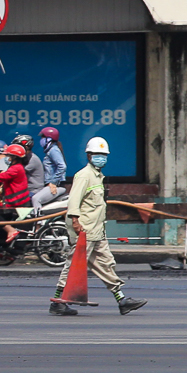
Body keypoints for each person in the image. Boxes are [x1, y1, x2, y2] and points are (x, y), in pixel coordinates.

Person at [50, 135, 146, 317]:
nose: (101, 158)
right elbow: (74, 203)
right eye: (97, 154)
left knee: (106, 264)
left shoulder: (98, 177)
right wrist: (76, 223)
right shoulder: (84, 176)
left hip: (97, 231)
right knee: (73, 266)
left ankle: (122, 300)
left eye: (104, 155)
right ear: (88, 156)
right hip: (84, 231)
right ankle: (57, 302)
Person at [0, 140, 33, 248]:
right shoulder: (13, 167)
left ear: (15, 157)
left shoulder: (17, 168)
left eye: (9, 156)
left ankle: (11, 230)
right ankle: (3, 245)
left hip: (17, 202)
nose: (7, 159)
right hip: (11, 202)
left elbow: (3, 176)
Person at [31, 126, 69, 208]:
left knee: (36, 199)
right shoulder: (50, 151)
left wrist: (53, 182)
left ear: (49, 139)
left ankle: (39, 220)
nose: (41, 139)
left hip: (56, 186)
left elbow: (62, 166)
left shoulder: (53, 150)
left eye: (43, 137)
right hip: (51, 185)